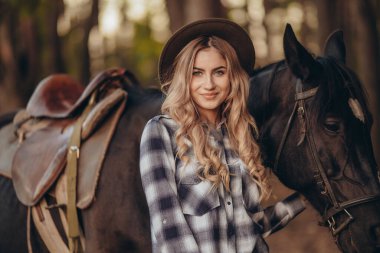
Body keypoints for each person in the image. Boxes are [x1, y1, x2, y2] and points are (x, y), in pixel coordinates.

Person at [139, 18, 306, 253]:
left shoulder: (240, 136)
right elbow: (169, 230)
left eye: (219, 72)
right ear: (184, 78)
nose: (208, 84)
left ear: (233, 78)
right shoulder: (161, 133)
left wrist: (304, 199)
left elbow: (252, 225)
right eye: (197, 73)